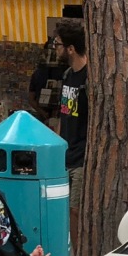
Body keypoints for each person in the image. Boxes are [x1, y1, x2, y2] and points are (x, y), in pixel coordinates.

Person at [54, 20, 87, 244]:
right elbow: (64, 114)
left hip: (82, 155)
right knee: (64, 208)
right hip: (65, 153)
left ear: (70, 48)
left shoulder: (88, 79)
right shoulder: (67, 76)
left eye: (57, 44)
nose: (55, 48)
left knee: (75, 209)